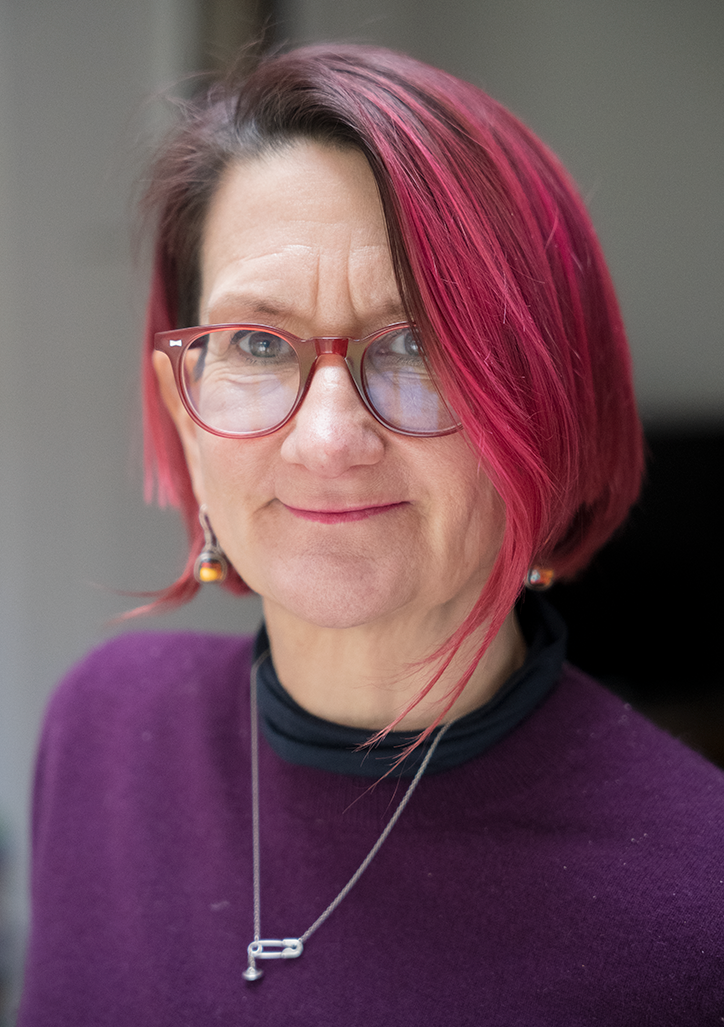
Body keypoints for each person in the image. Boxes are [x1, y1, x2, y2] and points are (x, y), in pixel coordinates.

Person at [18, 44, 724, 1026]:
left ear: (549, 409)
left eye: (417, 346)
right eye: (256, 342)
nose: (327, 438)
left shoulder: (696, 911)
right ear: (184, 412)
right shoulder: (102, 734)